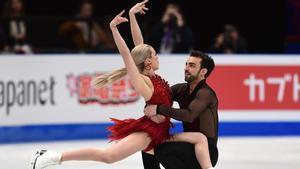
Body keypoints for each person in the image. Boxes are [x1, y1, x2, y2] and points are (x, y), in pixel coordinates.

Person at [29, 2, 213, 169]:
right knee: (108, 156)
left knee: (199, 138)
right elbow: (128, 56)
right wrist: (114, 29)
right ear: (148, 62)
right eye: (155, 55)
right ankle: (52, 157)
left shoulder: (152, 75)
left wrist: (133, 16)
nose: (157, 57)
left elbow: (139, 45)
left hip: (162, 132)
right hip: (149, 133)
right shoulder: (144, 82)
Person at [143, 50, 219, 169]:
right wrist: (151, 107)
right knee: (148, 144)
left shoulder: (205, 93)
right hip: (189, 143)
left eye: (192, 65)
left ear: (203, 72)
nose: (186, 68)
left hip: (207, 151)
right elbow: (160, 97)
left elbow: (189, 116)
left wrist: (158, 109)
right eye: (186, 64)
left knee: (163, 149)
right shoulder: (181, 89)